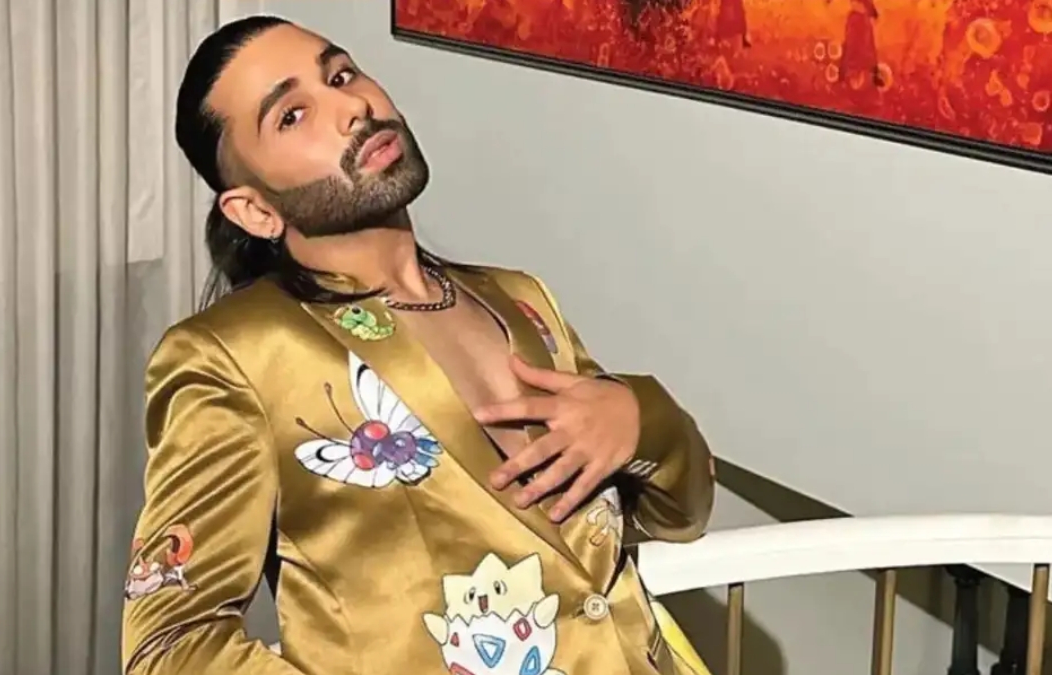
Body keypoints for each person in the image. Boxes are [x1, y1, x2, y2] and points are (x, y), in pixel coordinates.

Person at [120, 14, 715, 675]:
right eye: (292, 116)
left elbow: (681, 514)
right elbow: (169, 647)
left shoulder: (520, 299)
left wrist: (640, 415)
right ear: (255, 211)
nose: (351, 107)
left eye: (340, 74)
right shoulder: (232, 356)